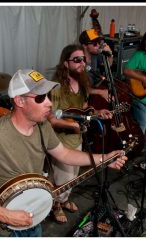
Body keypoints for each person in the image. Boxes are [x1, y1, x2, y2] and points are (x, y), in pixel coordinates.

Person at [0, 69, 127, 237]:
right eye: (40, 97)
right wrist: (5, 215)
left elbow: (64, 154)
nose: (49, 103)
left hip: (34, 215)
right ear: (20, 101)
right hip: (5, 228)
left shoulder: (41, 125)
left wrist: (105, 159)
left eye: (47, 95)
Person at [47, 44, 113, 224]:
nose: (81, 63)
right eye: (76, 60)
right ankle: (55, 204)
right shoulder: (57, 86)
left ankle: (64, 199)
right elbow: (51, 119)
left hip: (77, 137)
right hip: (61, 140)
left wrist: (97, 112)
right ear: (66, 63)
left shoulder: (83, 82)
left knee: (74, 174)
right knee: (63, 176)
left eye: (83, 59)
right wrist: (72, 126)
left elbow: (83, 108)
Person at [79, 28, 114, 101]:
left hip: (94, 90)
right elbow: (81, 88)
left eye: (98, 42)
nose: (98, 45)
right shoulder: (78, 61)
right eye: (95, 43)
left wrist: (110, 55)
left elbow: (108, 66)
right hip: (81, 97)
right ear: (85, 45)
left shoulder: (95, 55)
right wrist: (101, 92)